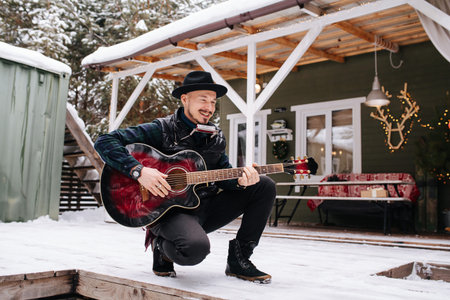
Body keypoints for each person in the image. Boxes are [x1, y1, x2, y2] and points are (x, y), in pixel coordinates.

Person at [94, 71, 276, 283]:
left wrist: (241, 181)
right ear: (185, 99)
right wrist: (140, 171)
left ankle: (239, 259)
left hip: (204, 206)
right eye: (203, 99)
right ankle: (161, 247)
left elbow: (224, 178)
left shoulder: (215, 138)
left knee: (264, 185)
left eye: (213, 102)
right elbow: (105, 141)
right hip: (167, 212)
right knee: (195, 250)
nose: (209, 107)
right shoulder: (161, 129)